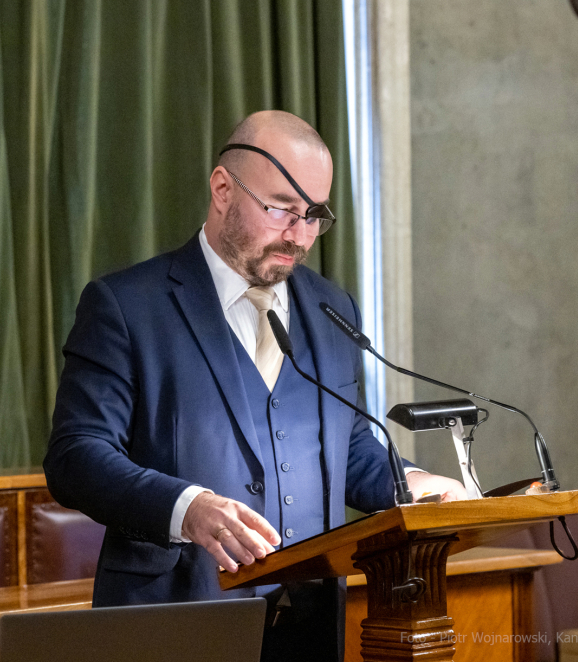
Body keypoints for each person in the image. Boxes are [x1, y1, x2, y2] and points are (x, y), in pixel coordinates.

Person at [43, 110, 465, 661]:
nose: (299, 234)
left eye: (314, 215)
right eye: (281, 210)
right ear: (223, 189)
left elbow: (347, 444)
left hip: (311, 626)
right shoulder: (126, 306)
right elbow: (76, 457)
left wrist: (413, 483)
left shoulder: (332, 309)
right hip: (175, 621)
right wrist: (185, 507)